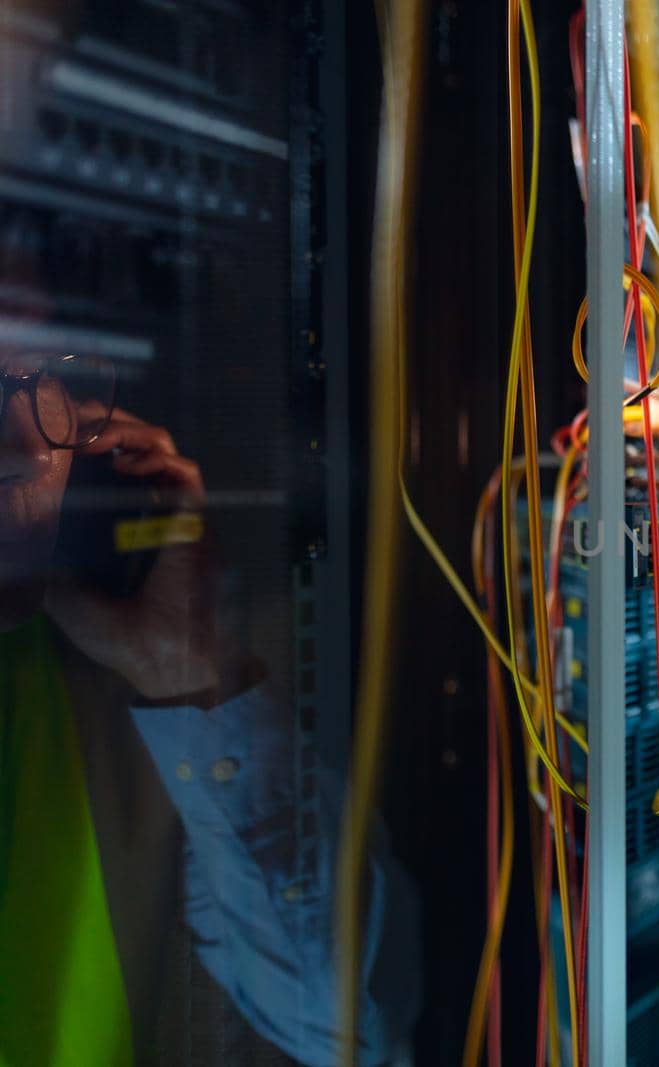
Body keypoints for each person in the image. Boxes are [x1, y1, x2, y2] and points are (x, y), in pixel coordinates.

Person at [0, 354, 423, 1065]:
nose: (29, 450)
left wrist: (192, 681)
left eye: (38, 375)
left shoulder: (94, 684)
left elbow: (346, 1025)